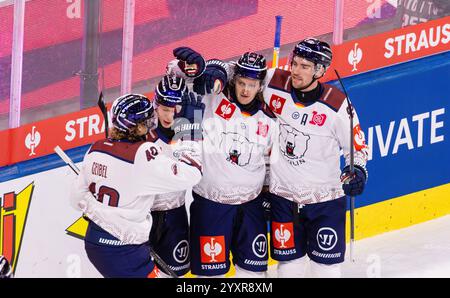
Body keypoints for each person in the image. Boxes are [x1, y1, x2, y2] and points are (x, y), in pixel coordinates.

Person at [261, 38, 369, 277]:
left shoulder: (338, 105)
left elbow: (357, 148)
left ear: (320, 70)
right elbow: (240, 75)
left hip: (325, 202)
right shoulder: (272, 81)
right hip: (283, 200)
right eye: (295, 63)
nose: (295, 71)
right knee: (288, 268)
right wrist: (218, 69)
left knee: (326, 270)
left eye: (304, 66)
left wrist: (358, 171)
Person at [69, 92, 203, 278]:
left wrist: (100, 212)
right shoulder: (142, 154)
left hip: (95, 243)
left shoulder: (96, 148)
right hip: (122, 248)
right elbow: (193, 173)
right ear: (141, 126)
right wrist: (190, 132)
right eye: (149, 120)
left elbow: (76, 200)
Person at [170, 48, 277, 278]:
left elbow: (269, 160)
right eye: (241, 83)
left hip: (251, 208)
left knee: (253, 276)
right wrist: (205, 68)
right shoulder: (211, 99)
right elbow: (173, 76)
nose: (246, 89)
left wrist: (268, 191)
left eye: (252, 84)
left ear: (260, 85)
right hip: (211, 207)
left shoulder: (270, 119)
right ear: (234, 80)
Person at [147, 75, 204, 277]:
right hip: (144, 216)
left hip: (175, 215)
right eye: (165, 108)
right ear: (155, 106)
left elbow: (196, 171)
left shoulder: (191, 136)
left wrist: (192, 133)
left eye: (176, 109)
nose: (170, 116)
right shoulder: (143, 138)